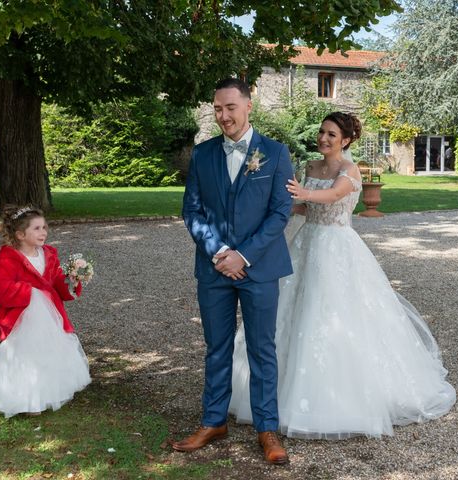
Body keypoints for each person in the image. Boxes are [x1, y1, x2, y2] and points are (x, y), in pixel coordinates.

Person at [229, 112, 456, 439]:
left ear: (346, 140)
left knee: (335, 313)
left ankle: (338, 401)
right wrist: (284, 204)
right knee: (288, 310)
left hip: (337, 247)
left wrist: (301, 194)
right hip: (306, 242)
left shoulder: (350, 171)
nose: (323, 138)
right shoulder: (311, 168)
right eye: (322, 132)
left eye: (331, 135)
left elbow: (332, 196)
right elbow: (308, 209)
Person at [176, 78, 294, 464]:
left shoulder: (275, 154)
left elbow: (280, 212)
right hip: (214, 270)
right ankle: (213, 421)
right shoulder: (203, 154)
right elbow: (192, 211)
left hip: (259, 269)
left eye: (230, 107)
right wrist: (220, 251)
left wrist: (243, 255)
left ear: (248, 106)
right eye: (217, 109)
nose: (223, 115)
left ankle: (267, 429)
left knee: (262, 350)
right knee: (217, 347)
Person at [0, 205, 91, 418]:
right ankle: (27, 398)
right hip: (25, 317)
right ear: (20, 234)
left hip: (49, 315)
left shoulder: (48, 254)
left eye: (44, 227)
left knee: (51, 351)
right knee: (27, 355)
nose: (43, 232)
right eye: (37, 228)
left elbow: (57, 281)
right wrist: (28, 292)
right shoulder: (8, 258)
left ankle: (49, 391)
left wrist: (71, 279)